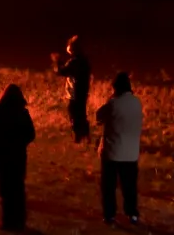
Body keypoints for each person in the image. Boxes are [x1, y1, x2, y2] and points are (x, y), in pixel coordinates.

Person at [96, 72, 143, 226]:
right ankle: (132, 213)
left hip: (112, 152)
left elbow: (99, 116)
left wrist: (110, 99)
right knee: (129, 186)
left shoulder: (113, 104)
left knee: (109, 186)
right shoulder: (137, 103)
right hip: (131, 153)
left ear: (115, 88)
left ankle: (109, 215)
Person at [0, 84, 36, 232]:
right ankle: (19, 221)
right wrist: (20, 143)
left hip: (3, 158)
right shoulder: (22, 113)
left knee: (5, 190)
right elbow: (31, 134)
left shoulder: (0, 113)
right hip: (18, 157)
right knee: (18, 189)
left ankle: (7, 221)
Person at [51, 35, 91, 143]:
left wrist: (57, 62)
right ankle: (86, 135)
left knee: (73, 113)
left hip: (74, 92)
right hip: (83, 91)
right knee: (81, 113)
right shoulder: (84, 61)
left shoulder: (74, 62)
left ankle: (78, 136)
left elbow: (62, 71)